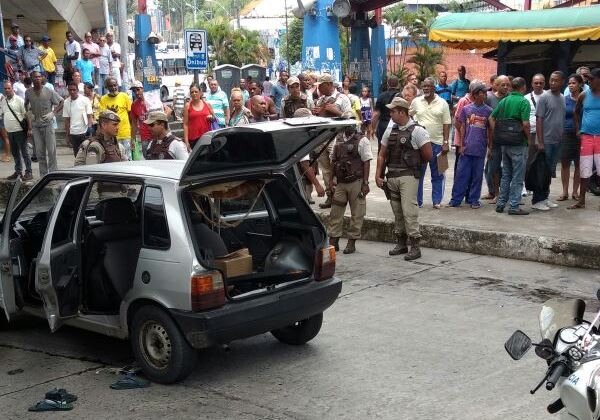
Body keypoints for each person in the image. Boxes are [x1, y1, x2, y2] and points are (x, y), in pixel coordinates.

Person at [376, 97, 433, 260]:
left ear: (402, 112)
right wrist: (378, 174)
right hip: (392, 175)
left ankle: (415, 246)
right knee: (397, 212)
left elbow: (428, 156)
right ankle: (401, 243)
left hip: (408, 176)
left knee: (409, 211)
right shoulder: (390, 130)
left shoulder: (418, 131)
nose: (391, 114)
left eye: (393, 111)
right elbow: (382, 154)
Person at [327, 117, 373, 255]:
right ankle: (333, 240)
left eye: (351, 124)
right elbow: (333, 161)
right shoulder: (338, 139)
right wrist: (330, 180)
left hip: (356, 181)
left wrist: (365, 183)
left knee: (357, 213)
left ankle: (352, 241)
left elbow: (366, 162)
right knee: (335, 211)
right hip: (341, 182)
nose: (349, 127)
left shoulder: (362, 140)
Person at [490, 77, 531, 215]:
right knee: (518, 176)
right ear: (523, 87)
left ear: (512, 87)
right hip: (519, 143)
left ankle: (501, 204)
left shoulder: (504, 101)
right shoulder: (524, 101)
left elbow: (491, 117)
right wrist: (529, 139)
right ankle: (514, 206)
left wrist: (497, 134)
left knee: (506, 175)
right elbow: (525, 124)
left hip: (504, 143)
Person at [409, 77, 452, 208]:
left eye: (429, 86)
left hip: (437, 143)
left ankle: (437, 201)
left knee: (438, 173)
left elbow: (446, 123)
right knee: (418, 174)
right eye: (424, 86)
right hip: (419, 144)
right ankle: (418, 201)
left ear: (434, 88)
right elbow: (408, 115)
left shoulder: (443, 103)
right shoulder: (416, 101)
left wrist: (446, 142)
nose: (426, 88)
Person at [449, 83, 492, 208]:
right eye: (482, 93)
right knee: (461, 175)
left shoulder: (488, 111)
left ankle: (474, 200)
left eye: (485, 93)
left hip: (480, 149)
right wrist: (461, 144)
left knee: (477, 176)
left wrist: (490, 147)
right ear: (475, 94)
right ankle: (455, 200)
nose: (484, 95)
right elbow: (461, 127)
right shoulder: (466, 109)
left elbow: (490, 130)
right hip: (466, 148)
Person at [313, 73, 353, 209]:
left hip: (337, 138)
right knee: (325, 169)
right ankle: (330, 196)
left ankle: (339, 197)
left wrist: (338, 112)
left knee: (336, 167)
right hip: (322, 138)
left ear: (329, 84)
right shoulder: (320, 100)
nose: (318, 88)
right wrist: (316, 113)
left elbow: (351, 118)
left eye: (321, 85)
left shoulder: (342, 98)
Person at [531, 71, 565, 211]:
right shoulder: (544, 98)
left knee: (550, 171)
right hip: (546, 141)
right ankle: (537, 200)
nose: (552, 83)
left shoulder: (562, 97)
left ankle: (545, 197)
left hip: (557, 141)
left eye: (556, 80)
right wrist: (540, 141)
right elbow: (539, 120)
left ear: (562, 82)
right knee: (541, 171)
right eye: (551, 80)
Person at [570, 67, 600, 210]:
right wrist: (578, 130)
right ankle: (581, 200)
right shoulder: (583, 95)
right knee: (584, 169)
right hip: (586, 136)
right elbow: (575, 112)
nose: (589, 81)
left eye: (592, 79)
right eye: (588, 79)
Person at [25, 71, 63, 175]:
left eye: (39, 77)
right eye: (35, 77)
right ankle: (43, 175)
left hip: (48, 124)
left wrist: (53, 113)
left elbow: (61, 101)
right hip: (36, 126)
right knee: (40, 153)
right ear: (32, 78)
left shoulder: (49, 90)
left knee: (51, 152)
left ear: (42, 78)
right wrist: (29, 112)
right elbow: (26, 104)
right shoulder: (28, 92)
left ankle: (53, 174)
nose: (37, 78)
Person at [483, 75, 511, 202]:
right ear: (496, 85)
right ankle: (495, 192)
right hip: (494, 138)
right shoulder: (489, 98)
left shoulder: (511, 98)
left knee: (507, 166)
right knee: (492, 167)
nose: (505, 87)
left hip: (509, 137)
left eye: (507, 85)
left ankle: (504, 193)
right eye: (502, 85)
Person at [293, 108, 326, 204]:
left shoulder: (299, 134)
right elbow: (305, 165)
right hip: (300, 180)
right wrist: (318, 185)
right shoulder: (300, 138)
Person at [559, 74, 583, 202]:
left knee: (579, 164)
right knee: (565, 163)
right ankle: (564, 192)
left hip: (582, 135)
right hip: (566, 133)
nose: (570, 85)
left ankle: (575, 192)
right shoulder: (564, 99)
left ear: (580, 84)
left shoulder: (585, 99)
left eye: (573, 83)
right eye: (569, 83)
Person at [0, 81, 32, 180]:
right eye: (5, 89)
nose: (7, 90)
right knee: (15, 153)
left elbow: (27, 115)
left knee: (25, 153)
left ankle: (29, 172)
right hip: (10, 131)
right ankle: (18, 172)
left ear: (12, 89)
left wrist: (30, 129)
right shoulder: (3, 101)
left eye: (9, 88)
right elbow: (1, 113)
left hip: (20, 131)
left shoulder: (19, 100)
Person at [99, 77, 133, 159]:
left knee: (128, 157)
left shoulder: (124, 96)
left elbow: (130, 114)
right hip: (111, 135)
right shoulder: (103, 99)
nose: (113, 88)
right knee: (115, 158)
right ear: (107, 87)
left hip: (125, 133)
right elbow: (102, 117)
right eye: (111, 86)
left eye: (115, 85)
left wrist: (131, 130)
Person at [63, 81, 93, 156]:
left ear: (77, 90)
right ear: (68, 91)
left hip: (84, 132)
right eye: (70, 90)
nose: (72, 92)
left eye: (74, 90)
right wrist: (67, 135)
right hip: (73, 133)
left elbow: (89, 116)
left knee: (87, 154)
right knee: (77, 155)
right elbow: (67, 120)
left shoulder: (85, 100)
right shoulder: (66, 102)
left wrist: (89, 129)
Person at [183, 82, 214, 150]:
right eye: (192, 92)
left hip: (207, 137)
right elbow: (185, 124)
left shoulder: (207, 104)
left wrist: (211, 118)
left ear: (200, 92)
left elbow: (214, 119)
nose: (194, 94)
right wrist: (186, 141)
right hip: (193, 139)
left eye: (196, 92)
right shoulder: (187, 106)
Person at [372, 75, 401, 148]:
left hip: (383, 126)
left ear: (387, 84)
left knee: (382, 148)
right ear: (398, 84)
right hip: (398, 125)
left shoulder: (381, 96)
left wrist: (373, 128)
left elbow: (376, 114)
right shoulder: (401, 96)